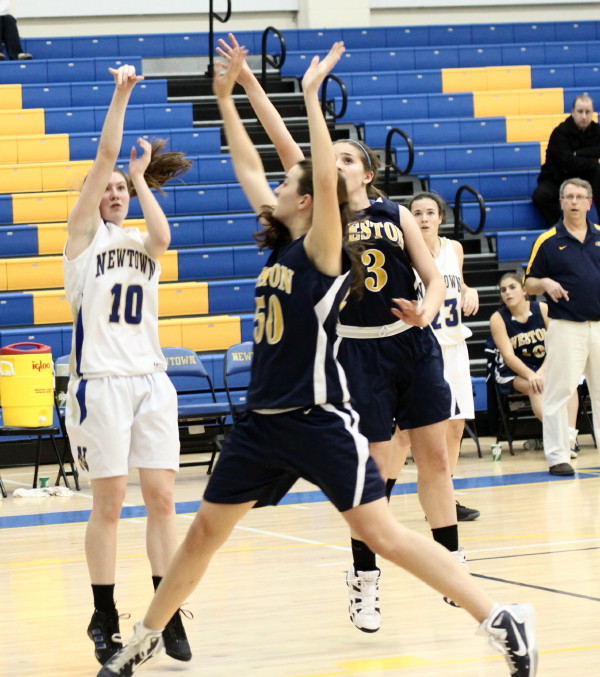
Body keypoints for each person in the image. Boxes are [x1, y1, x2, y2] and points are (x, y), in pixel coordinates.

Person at [97, 43, 537, 677]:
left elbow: (319, 174)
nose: (274, 187)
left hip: (317, 419)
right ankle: (145, 636)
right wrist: (224, 99)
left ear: (309, 201)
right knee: (203, 534)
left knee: (382, 534)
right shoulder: (280, 246)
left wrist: (308, 96)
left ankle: (499, 618)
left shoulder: (323, 251)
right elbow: (248, 162)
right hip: (261, 423)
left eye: (287, 185)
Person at [213, 34, 467, 636]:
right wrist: (248, 84)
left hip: (410, 343)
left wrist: (427, 310)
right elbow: (283, 141)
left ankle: (453, 566)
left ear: (368, 173)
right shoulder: (321, 217)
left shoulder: (395, 213)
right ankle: (365, 579)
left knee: (435, 457)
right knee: (374, 473)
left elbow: (434, 277)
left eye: (349, 159)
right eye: (336, 158)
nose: (338, 163)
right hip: (353, 350)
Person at [63, 63, 192, 665]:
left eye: (121, 188)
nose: (114, 192)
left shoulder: (143, 241)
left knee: (163, 499)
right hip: (101, 385)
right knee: (110, 504)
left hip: (150, 381)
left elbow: (164, 239)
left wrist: (140, 178)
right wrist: (121, 95)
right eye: (108, 187)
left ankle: (166, 611)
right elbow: (104, 155)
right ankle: (104, 612)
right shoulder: (81, 240)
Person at [391, 191, 481, 523]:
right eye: (417, 213)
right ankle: (379, 499)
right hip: (421, 347)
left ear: (441, 217)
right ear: (408, 219)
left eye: (430, 212)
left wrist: (469, 291)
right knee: (404, 433)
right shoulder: (402, 252)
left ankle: (446, 499)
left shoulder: (454, 249)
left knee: (456, 426)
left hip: (454, 345)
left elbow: (459, 284)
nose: (424, 218)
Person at [525, 177, 600, 476]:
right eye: (569, 196)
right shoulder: (547, 240)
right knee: (560, 391)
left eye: (580, 197)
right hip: (566, 326)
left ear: (589, 203)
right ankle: (558, 456)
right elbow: (528, 284)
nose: (574, 202)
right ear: (561, 202)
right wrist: (544, 282)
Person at [490, 272, 579, 454]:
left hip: (546, 363)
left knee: (569, 383)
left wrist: (542, 372)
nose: (507, 293)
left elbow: (556, 345)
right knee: (536, 387)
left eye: (512, 287)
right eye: (503, 290)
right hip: (514, 371)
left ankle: (570, 436)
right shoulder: (497, 319)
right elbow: (508, 357)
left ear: (524, 291)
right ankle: (559, 436)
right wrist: (532, 375)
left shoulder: (543, 309)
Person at [532, 94, 600, 227]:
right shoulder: (560, 132)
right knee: (540, 195)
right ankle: (562, 227)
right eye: (580, 111)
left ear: (593, 113)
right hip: (558, 179)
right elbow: (568, 163)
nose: (584, 116)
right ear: (573, 112)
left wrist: (579, 153)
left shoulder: (597, 130)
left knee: (598, 172)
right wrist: (593, 162)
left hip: (585, 180)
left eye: (588, 112)